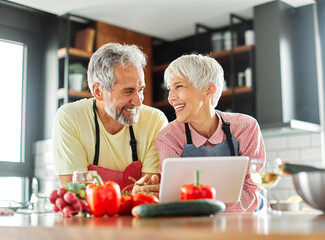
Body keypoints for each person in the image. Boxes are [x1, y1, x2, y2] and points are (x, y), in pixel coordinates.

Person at [53, 43, 168, 196]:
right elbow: (77, 195)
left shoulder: (155, 121)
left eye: (141, 89)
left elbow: (146, 196)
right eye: (128, 91)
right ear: (98, 92)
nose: (139, 101)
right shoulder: (70, 118)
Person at [155, 54, 265, 212]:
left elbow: (251, 187)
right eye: (169, 89)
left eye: (178, 86)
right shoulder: (168, 137)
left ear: (208, 90)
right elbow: (174, 196)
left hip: (248, 219)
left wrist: (215, 214)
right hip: (197, 222)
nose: (171, 98)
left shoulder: (245, 127)